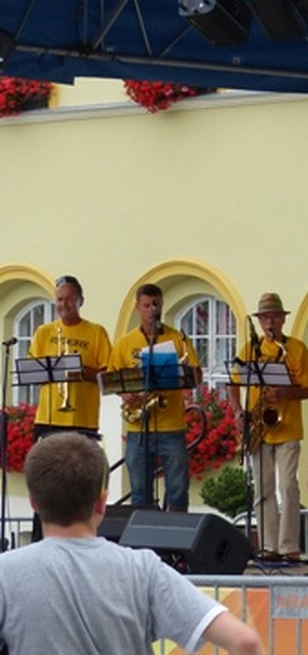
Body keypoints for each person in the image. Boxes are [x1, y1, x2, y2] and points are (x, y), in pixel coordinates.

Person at [0, 432, 261, 654]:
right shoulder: (142, 569)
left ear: (34, 503)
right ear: (102, 502)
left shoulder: (6, 572)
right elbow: (245, 642)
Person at [229, 293, 308, 560]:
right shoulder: (250, 350)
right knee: (263, 489)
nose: (270, 322)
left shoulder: (297, 349)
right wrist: (238, 411)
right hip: (259, 428)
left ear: (282, 319)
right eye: (265, 318)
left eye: (275, 317)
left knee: (288, 487)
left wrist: (284, 393)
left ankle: (289, 547)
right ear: (259, 321)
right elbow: (233, 383)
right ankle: (268, 546)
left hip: (288, 426)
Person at [110, 283, 202, 511]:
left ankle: (176, 532)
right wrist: (125, 394)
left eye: (156, 305)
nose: (152, 310)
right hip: (138, 428)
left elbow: (197, 377)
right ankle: (144, 533)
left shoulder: (177, 339)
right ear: (137, 307)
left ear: (162, 305)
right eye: (146, 305)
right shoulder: (124, 343)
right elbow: (112, 379)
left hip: (172, 426)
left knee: (178, 490)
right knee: (140, 493)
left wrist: (188, 371)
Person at [27, 275, 112, 440]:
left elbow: (108, 376)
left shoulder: (97, 332)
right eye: (59, 299)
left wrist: (82, 372)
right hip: (48, 418)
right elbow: (32, 371)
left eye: (70, 299)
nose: (63, 304)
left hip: (83, 419)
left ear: (81, 301)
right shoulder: (43, 332)